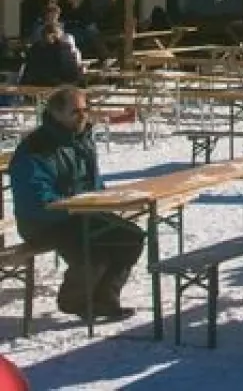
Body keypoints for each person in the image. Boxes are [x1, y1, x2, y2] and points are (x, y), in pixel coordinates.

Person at [9, 86, 144, 319]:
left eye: (86, 110)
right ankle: (75, 301)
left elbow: (93, 182)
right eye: (75, 111)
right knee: (94, 250)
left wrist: (105, 202)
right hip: (44, 221)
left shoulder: (82, 139)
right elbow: (36, 199)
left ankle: (105, 297)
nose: (83, 116)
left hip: (82, 212)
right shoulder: (36, 148)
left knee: (130, 237)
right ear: (56, 113)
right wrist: (75, 207)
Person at [20, 24, 84, 89]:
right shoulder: (63, 48)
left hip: (33, 84)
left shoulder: (34, 48)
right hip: (56, 85)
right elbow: (71, 73)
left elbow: (27, 71)